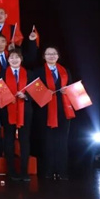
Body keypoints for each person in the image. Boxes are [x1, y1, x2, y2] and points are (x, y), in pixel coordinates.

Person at [36, 46, 75, 181]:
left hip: (63, 111)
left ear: (58, 56)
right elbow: (34, 90)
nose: (51, 56)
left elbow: (72, 88)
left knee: (62, 142)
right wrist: (45, 92)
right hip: (46, 111)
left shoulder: (65, 71)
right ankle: (48, 171)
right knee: (48, 142)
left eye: (54, 54)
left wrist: (67, 90)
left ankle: (62, 171)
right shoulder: (38, 71)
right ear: (44, 57)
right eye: (48, 54)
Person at [3, 49, 33, 182]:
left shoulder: (29, 74)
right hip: (7, 111)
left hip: (25, 111)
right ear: (8, 60)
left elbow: (36, 91)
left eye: (17, 57)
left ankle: (24, 171)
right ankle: (11, 171)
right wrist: (7, 96)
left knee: (24, 140)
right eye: (11, 57)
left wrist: (26, 96)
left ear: (21, 59)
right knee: (9, 140)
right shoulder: (2, 73)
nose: (14, 60)